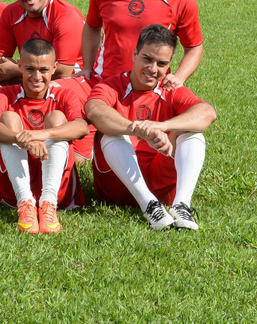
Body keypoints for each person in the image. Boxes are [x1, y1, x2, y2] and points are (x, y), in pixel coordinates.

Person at [84, 24, 217, 230]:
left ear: (169, 65)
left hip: (160, 185)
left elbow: (208, 113)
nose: (153, 69)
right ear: (134, 54)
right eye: (147, 59)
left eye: (161, 63)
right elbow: (94, 110)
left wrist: (163, 125)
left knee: (192, 132)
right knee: (108, 133)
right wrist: (139, 129)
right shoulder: (112, 85)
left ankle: (181, 205)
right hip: (116, 187)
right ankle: (149, 205)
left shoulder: (170, 88)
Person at [0, 39, 89, 234]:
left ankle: (48, 203)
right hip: (13, 191)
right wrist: (21, 139)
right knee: (8, 118)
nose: (37, 77)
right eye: (30, 69)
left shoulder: (65, 95)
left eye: (44, 70)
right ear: (19, 66)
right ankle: (26, 203)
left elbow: (82, 127)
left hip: (58, 191)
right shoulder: (5, 94)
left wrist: (41, 135)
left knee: (57, 118)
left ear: (54, 68)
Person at [0, 0, 94, 160]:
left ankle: (73, 148)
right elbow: (0, 63)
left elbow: (63, 71)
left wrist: (19, 70)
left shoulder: (65, 16)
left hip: (75, 80)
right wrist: (23, 72)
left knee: (50, 87)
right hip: (35, 75)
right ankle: (12, 147)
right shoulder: (10, 12)